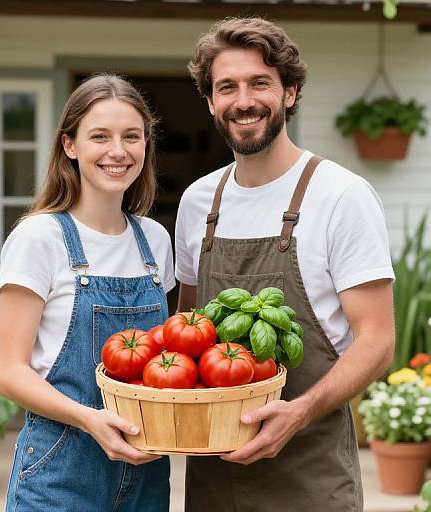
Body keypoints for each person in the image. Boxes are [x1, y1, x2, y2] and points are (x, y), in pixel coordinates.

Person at [175, 16, 395, 511]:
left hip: (310, 474)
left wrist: (298, 412)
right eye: (226, 86)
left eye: (260, 83)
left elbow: (378, 342)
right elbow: (188, 331)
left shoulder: (341, 195)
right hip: (213, 473)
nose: (243, 100)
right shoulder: (197, 203)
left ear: (290, 93)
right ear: (211, 102)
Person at [0, 74, 174, 511]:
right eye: (100, 136)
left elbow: (169, 360)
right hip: (60, 470)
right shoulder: (40, 237)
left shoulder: (154, 240)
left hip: (147, 472)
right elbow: (7, 372)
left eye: (132, 136)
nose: (118, 151)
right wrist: (90, 420)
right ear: (70, 145)